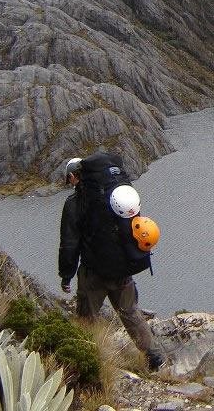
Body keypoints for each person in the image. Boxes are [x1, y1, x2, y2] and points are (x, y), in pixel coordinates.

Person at [58, 157, 165, 370]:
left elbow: (69, 244)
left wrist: (66, 275)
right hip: (122, 269)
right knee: (130, 312)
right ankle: (154, 357)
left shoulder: (75, 203)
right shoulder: (116, 194)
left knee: (87, 317)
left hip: (93, 273)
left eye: (68, 178)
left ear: (73, 177)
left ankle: (89, 362)